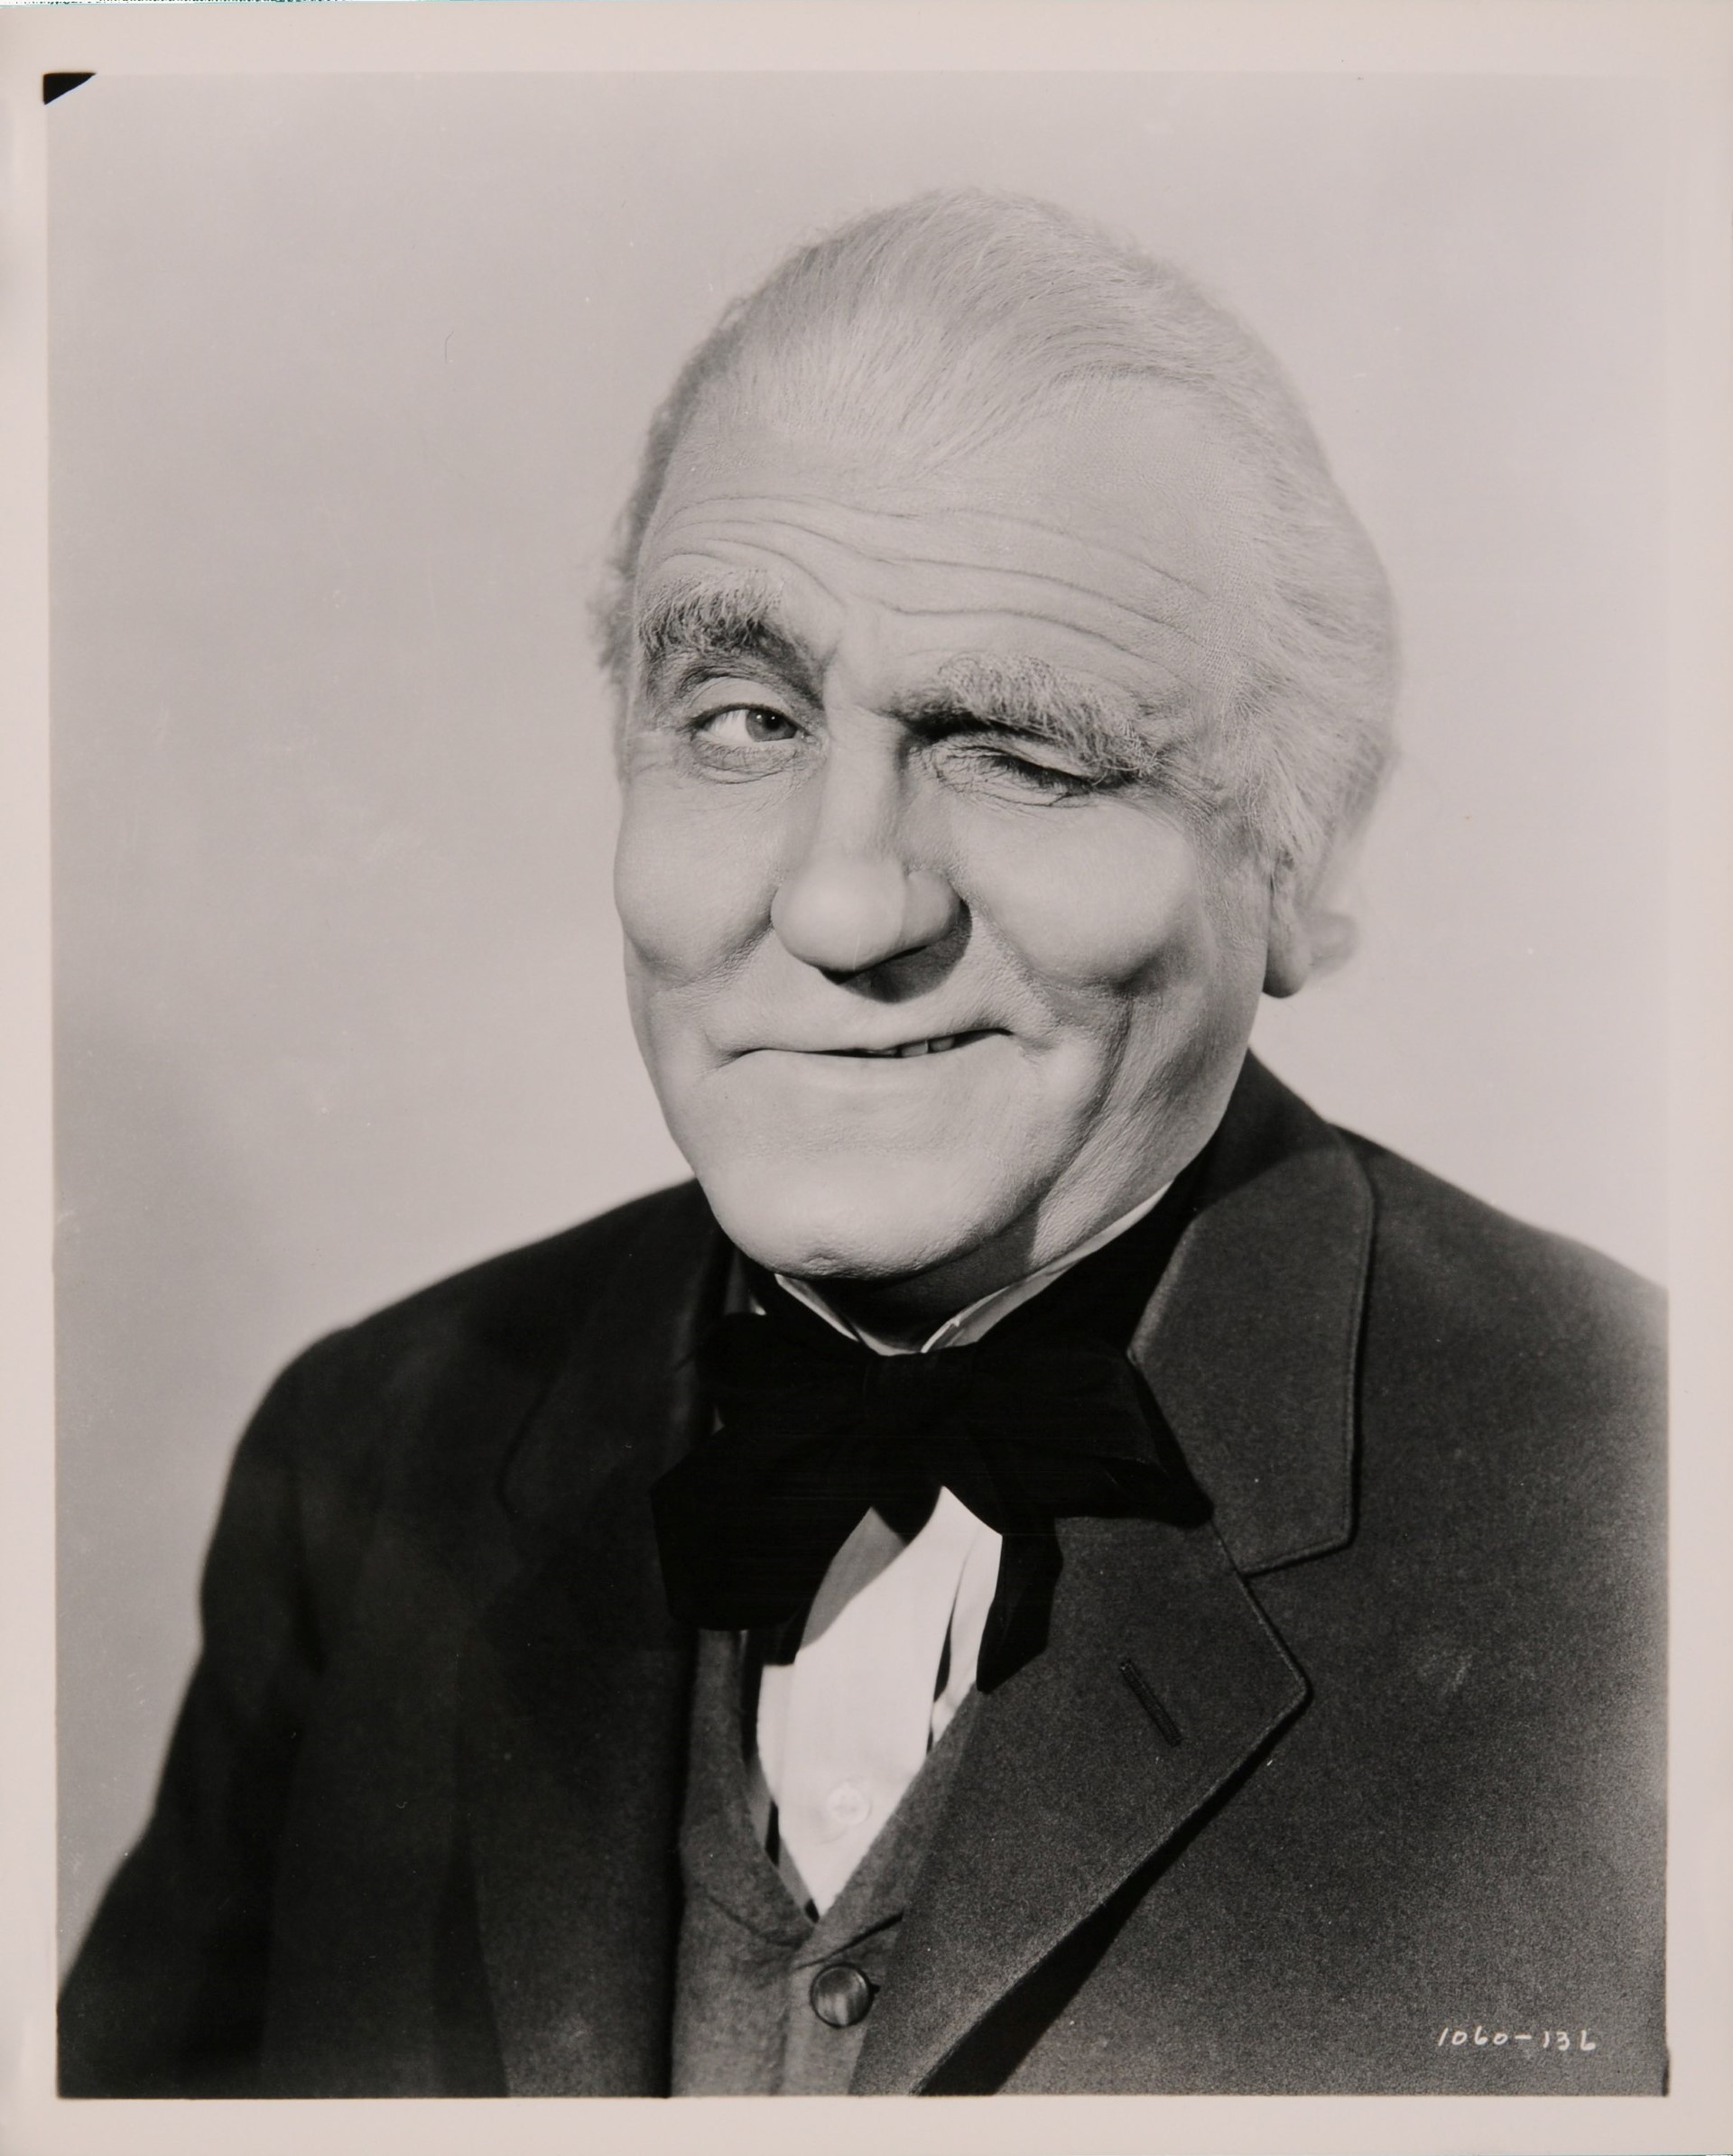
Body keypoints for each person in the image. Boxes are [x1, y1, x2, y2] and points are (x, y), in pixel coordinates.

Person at [59, 189, 1664, 2099]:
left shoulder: (1653, 1502)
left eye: (1024, 752)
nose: (840, 903)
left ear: (1303, 868)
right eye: (744, 721)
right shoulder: (369, 1455)